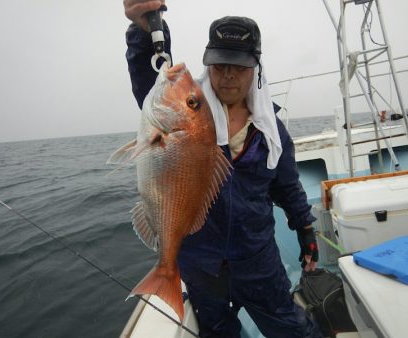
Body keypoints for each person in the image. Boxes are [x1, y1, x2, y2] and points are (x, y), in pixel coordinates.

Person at [123, 1, 322, 337]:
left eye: (239, 66)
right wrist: (145, 30)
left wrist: (305, 228)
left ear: (256, 68)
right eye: (219, 64)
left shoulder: (272, 131)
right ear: (208, 64)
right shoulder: (188, 116)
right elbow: (151, 81)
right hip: (201, 264)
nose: (228, 74)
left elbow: (287, 186)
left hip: (258, 259)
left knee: (293, 329)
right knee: (218, 333)